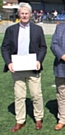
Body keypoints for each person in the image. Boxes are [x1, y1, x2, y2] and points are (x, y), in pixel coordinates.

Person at [1, 2, 47, 132]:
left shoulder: (37, 29)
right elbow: (4, 48)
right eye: (22, 13)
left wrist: (39, 60)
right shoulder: (11, 30)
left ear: (31, 14)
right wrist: (8, 62)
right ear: (18, 14)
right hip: (17, 67)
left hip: (33, 67)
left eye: (27, 13)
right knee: (19, 96)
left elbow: (43, 47)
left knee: (36, 94)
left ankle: (38, 118)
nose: (25, 15)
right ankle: (20, 120)